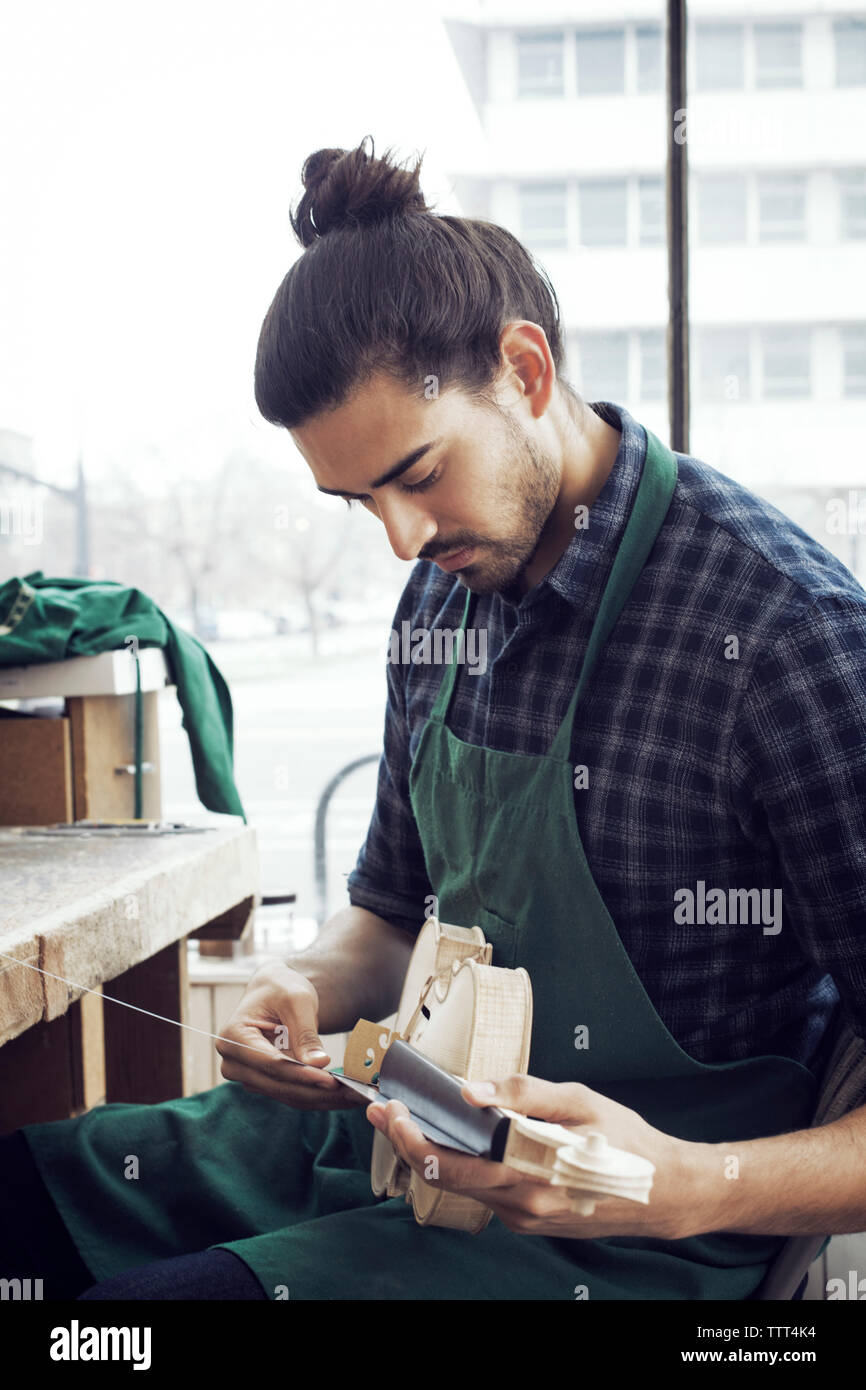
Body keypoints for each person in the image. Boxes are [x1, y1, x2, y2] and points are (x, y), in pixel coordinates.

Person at [3, 136, 866, 1301]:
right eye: (357, 500)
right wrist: (306, 988)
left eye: (416, 473)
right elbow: (386, 919)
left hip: (620, 1235)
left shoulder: (784, 636)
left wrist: (680, 1184)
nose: (400, 540)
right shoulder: (443, 591)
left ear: (523, 370)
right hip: (396, 1135)